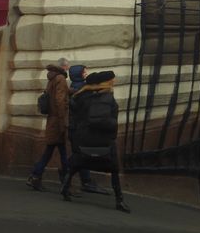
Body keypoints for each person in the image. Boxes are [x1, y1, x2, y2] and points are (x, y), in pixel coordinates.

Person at [61, 70, 130, 213]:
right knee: (114, 169)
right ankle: (119, 200)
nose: (114, 82)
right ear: (107, 82)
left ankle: (65, 187)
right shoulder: (107, 98)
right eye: (112, 80)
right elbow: (107, 121)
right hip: (102, 139)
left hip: (83, 138)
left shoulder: (80, 96)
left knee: (78, 163)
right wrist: (113, 130)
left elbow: (76, 116)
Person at [27, 58, 69, 191]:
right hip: (57, 122)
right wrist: (63, 122)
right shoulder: (61, 79)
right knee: (62, 152)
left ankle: (35, 176)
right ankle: (65, 182)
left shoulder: (52, 78)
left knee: (51, 151)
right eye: (68, 66)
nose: (68, 68)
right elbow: (60, 100)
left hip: (52, 120)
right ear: (64, 66)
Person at [67, 65, 109, 195]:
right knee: (81, 154)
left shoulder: (75, 86)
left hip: (76, 126)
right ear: (79, 74)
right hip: (79, 127)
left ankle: (85, 180)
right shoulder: (81, 89)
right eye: (84, 71)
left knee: (81, 154)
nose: (86, 73)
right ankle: (81, 179)